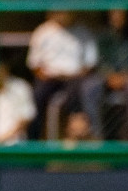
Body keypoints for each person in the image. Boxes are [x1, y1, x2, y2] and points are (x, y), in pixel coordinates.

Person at [27, 10, 100, 139]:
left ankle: (74, 134)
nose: (62, 15)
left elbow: (90, 64)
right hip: (49, 78)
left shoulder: (83, 32)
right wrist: (45, 75)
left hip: (76, 78)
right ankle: (34, 138)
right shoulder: (42, 32)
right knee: (37, 96)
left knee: (80, 91)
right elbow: (34, 65)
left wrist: (76, 74)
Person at [95, 8, 128, 139]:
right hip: (109, 78)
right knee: (89, 87)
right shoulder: (103, 36)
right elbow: (100, 63)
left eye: (121, 14)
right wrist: (110, 76)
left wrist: (126, 77)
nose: (118, 17)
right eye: (114, 14)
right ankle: (96, 134)